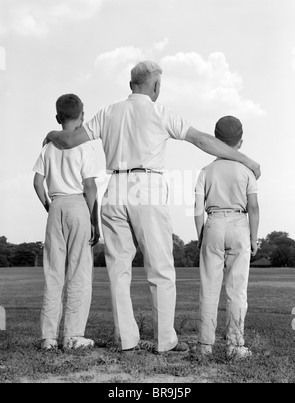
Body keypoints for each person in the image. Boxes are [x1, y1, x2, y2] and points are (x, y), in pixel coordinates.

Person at [44, 61, 261, 354]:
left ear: (131, 83)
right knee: (160, 268)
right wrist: (246, 160)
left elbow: (69, 139)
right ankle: (164, 340)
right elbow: (201, 140)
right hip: (147, 188)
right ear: (155, 85)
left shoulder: (108, 112)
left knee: (119, 270)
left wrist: (52, 135)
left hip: (116, 187)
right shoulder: (161, 113)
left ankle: (127, 340)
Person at [33, 94, 100, 351]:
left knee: (53, 274)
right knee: (79, 273)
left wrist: (48, 205)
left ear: (57, 118)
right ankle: (72, 335)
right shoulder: (85, 146)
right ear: (82, 116)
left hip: (56, 205)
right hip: (79, 206)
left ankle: (48, 338)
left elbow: (38, 183)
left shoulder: (48, 147)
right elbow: (90, 186)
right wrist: (94, 220)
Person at [194, 116, 260, 359]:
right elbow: (253, 207)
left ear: (215, 139)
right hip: (239, 224)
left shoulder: (206, 171)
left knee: (209, 288)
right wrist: (254, 238)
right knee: (236, 289)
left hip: (213, 223)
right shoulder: (246, 170)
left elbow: (197, 208)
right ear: (240, 142)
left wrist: (200, 235)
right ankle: (234, 345)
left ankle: (205, 346)